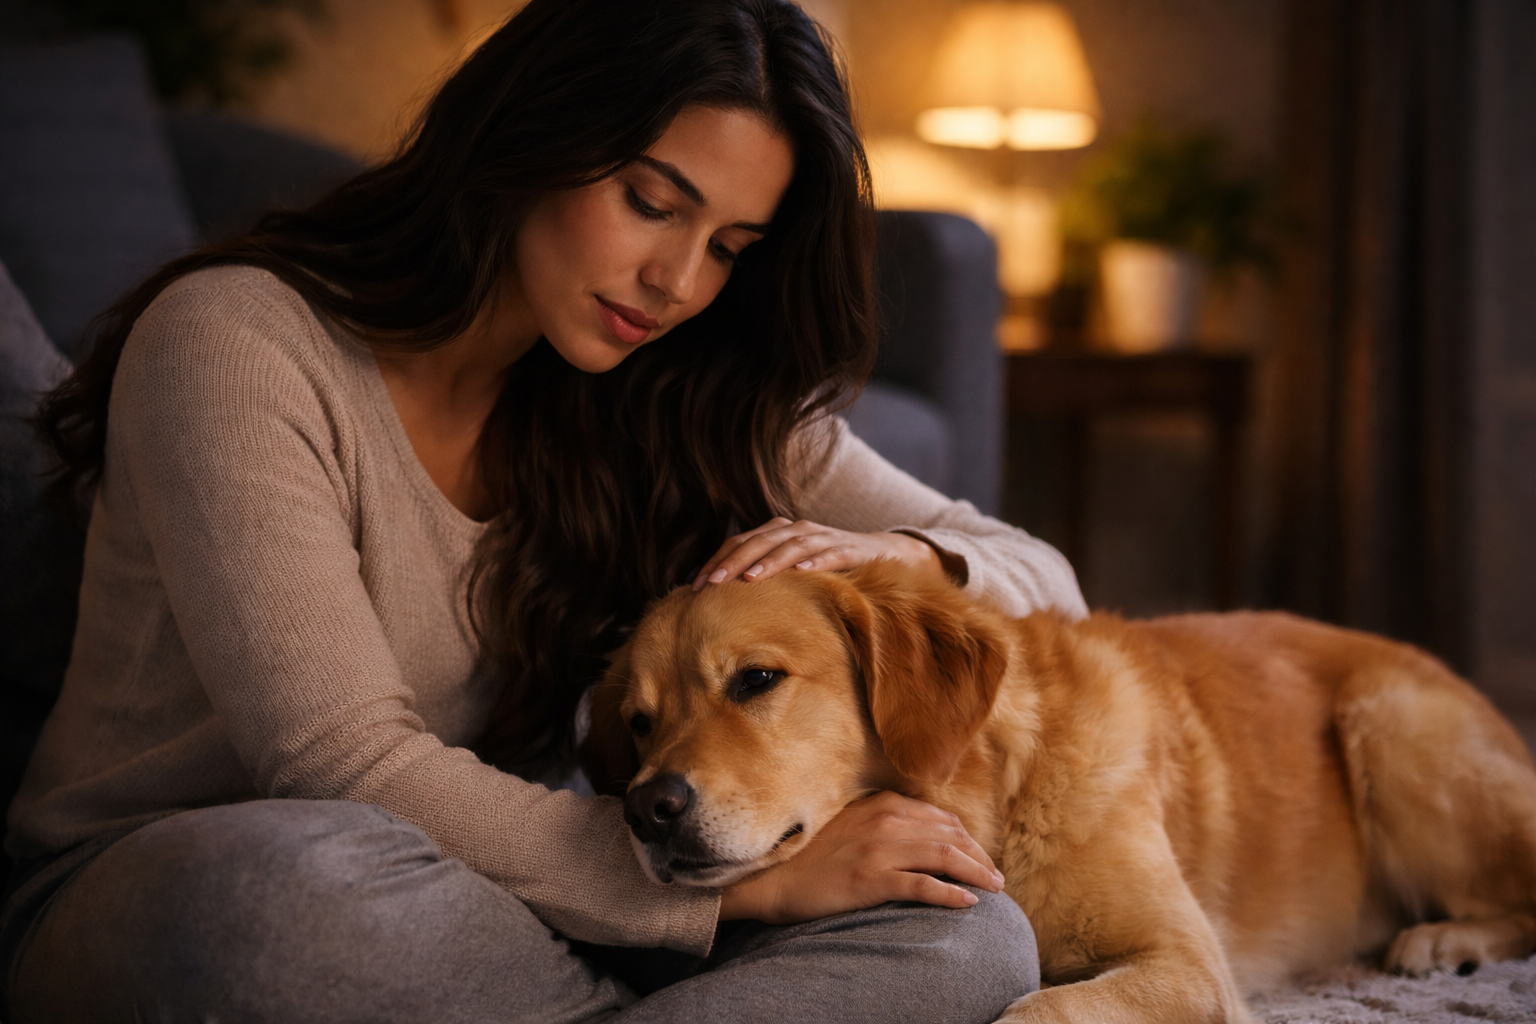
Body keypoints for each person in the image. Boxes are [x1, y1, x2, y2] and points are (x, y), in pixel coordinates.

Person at [2, 1, 1087, 1020]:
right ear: (533, 136)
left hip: (514, 895)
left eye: (727, 249)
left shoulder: (680, 384)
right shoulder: (237, 343)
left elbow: (1042, 575)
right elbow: (345, 767)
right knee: (272, 904)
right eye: (652, 204)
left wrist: (892, 549)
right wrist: (742, 898)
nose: (675, 281)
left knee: (972, 939)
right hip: (205, 876)